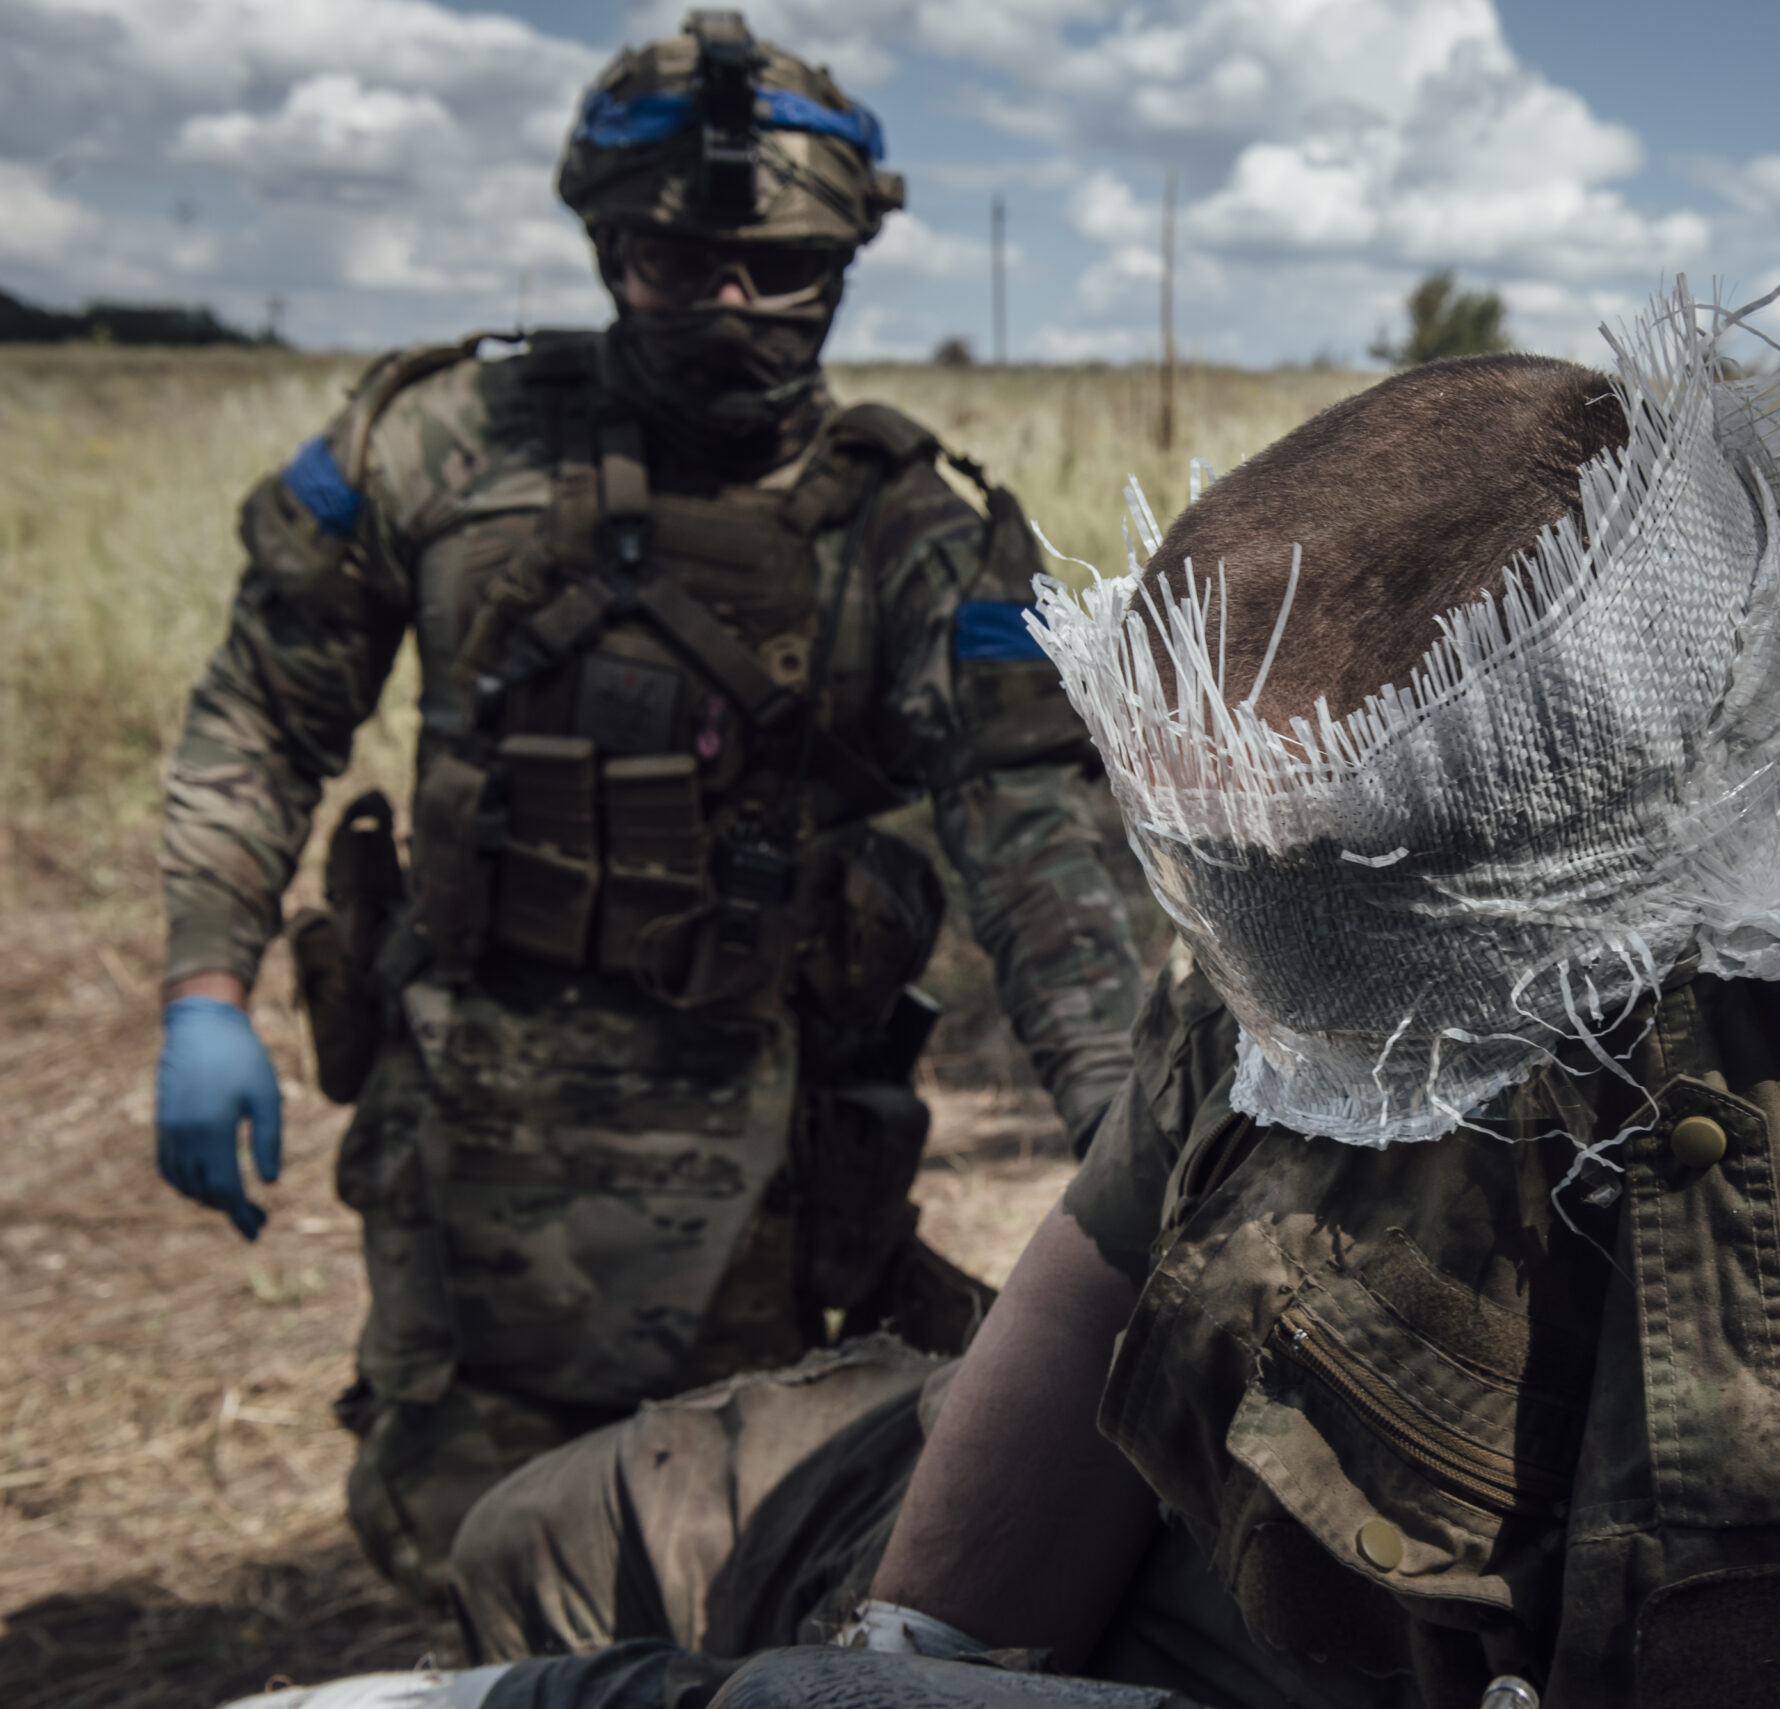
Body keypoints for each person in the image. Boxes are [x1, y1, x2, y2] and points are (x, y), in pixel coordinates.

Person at [436, 287, 1780, 1708]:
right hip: (1201, 1473)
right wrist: (920, 1647)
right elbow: (1112, 1241)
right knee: (537, 1539)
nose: (1243, 992)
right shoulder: (1385, 879)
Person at [150, 8, 1142, 1608]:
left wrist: (1127, 1133)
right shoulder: (444, 442)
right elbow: (266, 706)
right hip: (467, 1132)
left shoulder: (906, 530)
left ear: (842, 269)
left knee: (723, 1563)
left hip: (764, 1165)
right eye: (677, 267)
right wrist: (205, 985)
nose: (728, 305)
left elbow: (1035, 830)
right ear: (607, 247)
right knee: (453, 1552)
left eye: (777, 273)